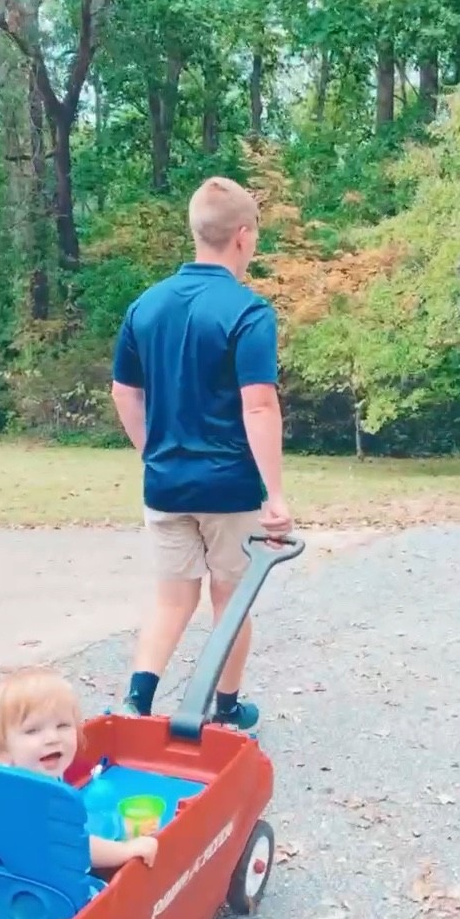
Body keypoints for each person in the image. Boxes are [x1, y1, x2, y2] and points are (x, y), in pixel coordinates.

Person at [111, 175, 292, 730]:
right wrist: (277, 498)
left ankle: (137, 706)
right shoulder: (247, 311)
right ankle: (228, 709)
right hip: (229, 488)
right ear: (243, 236)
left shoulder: (146, 306)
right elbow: (258, 405)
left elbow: (124, 392)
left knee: (171, 601)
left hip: (165, 486)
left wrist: (152, 451)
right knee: (229, 600)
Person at [0, 666, 158, 870]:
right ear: (3, 750)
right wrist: (126, 851)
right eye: (32, 730)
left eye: (63, 725)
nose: (52, 738)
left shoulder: (25, 774)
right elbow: (77, 846)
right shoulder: (30, 795)